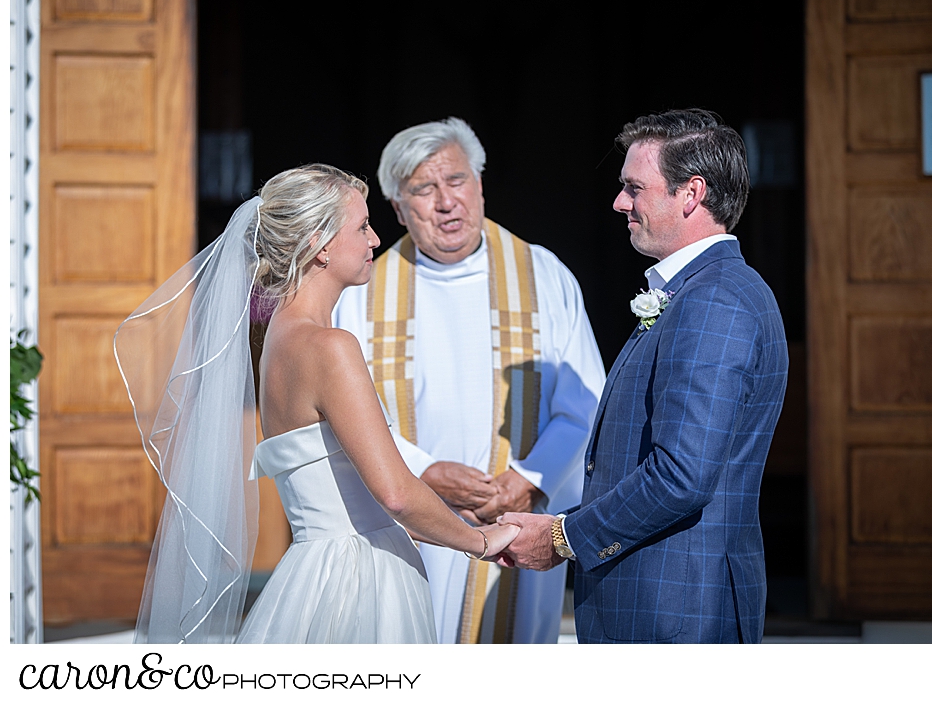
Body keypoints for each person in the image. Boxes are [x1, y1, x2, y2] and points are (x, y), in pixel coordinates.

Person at [116, 163, 519, 644]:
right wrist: (482, 540)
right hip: (360, 579)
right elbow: (395, 494)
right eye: (362, 227)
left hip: (309, 574)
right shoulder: (330, 347)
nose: (374, 240)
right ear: (320, 246)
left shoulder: (275, 344)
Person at [499, 109, 789, 644]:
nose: (619, 202)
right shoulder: (700, 291)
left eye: (634, 187)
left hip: (674, 610)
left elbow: (681, 476)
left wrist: (563, 537)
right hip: (660, 602)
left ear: (691, 194)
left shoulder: (716, 299)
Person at [332, 118, 606, 643]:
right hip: (410, 522)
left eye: (456, 181)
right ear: (396, 208)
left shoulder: (544, 275)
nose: (445, 202)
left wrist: (528, 480)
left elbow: (585, 402)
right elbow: (344, 410)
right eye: (423, 189)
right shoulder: (362, 294)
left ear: (480, 184)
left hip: (521, 516)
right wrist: (424, 471)